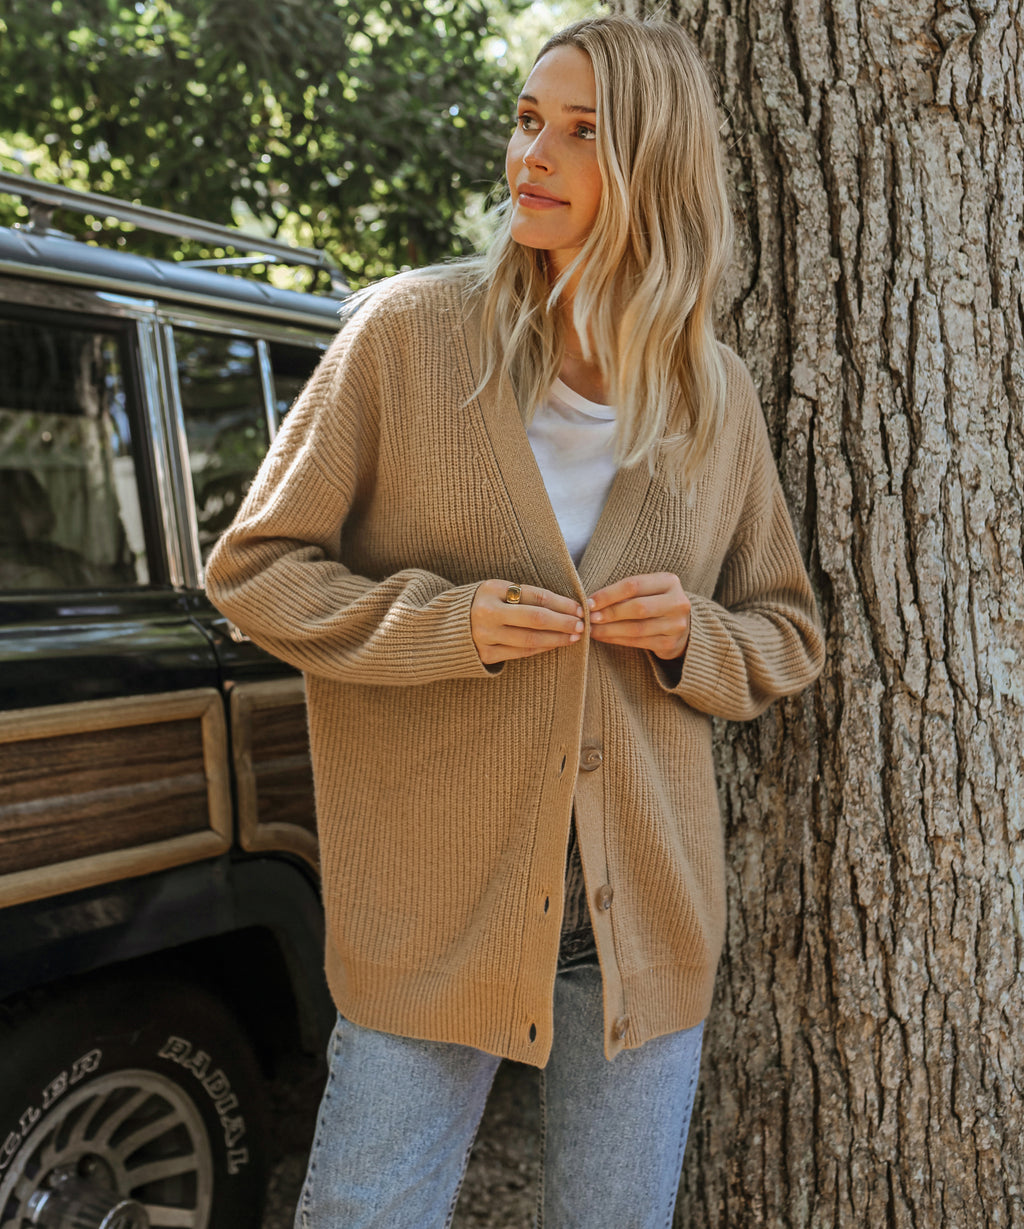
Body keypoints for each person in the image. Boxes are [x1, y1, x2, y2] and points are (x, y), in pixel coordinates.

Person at [205, 14, 825, 1228]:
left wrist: (692, 634)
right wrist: (449, 625)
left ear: (653, 162)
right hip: (433, 907)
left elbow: (787, 629)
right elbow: (254, 572)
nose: (531, 154)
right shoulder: (406, 337)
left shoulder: (712, 396)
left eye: (580, 131)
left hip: (640, 916)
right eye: (528, 118)